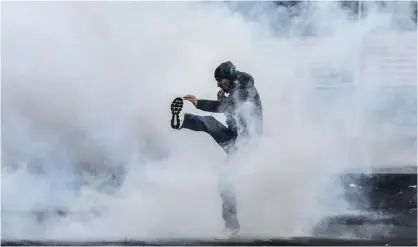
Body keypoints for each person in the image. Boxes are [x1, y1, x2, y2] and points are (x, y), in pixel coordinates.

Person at [170, 61, 263, 239]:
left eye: (220, 81)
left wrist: (200, 103)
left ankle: (231, 225)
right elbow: (234, 114)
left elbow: (229, 107)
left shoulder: (244, 89)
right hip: (235, 137)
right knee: (210, 123)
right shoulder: (237, 90)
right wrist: (224, 100)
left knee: (225, 181)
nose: (218, 84)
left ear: (229, 78)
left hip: (247, 144)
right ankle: (182, 120)